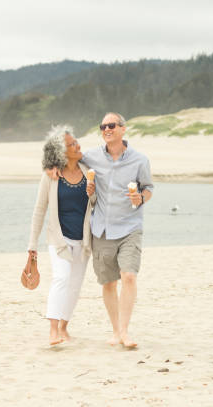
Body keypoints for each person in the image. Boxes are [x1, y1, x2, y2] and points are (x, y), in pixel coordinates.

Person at [49, 112, 153, 348]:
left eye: (112, 125)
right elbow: (68, 157)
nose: (107, 129)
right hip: (102, 229)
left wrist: (141, 198)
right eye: (103, 126)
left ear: (123, 129)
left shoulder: (140, 160)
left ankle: (125, 332)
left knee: (128, 275)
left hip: (130, 227)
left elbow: (149, 188)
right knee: (108, 283)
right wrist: (51, 166)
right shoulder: (92, 157)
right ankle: (116, 331)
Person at [28, 125, 96, 346]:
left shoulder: (88, 171)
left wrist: (92, 194)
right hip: (59, 239)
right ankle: (53, 330)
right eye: (71, 144)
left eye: (76, 141)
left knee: (75, 284)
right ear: (60, 152)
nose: (77, 145)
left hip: (83, 239)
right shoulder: (51, 176)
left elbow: (95, 205)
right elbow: (39, 210)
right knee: (62, 277)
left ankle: (64, 328)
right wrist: (32, 245)